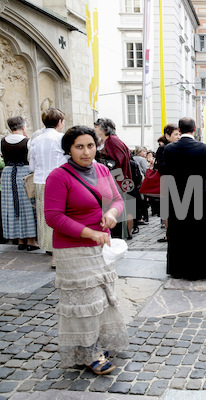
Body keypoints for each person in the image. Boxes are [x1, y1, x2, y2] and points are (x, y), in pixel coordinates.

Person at [44, 125, 128, 375]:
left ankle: (98, 343)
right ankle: (87, 352)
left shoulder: (102, 169)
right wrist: (90, 232)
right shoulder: (58, 176)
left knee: (102, 300)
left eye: (90, 145)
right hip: (74, 249)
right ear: (68, 149)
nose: (86, 151)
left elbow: (117, 200)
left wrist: (112, 214)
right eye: (79, 146)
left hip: (101, 248)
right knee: (84, 303)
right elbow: (53, 217)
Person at [162, 117, 206, 280]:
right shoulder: (202, 147)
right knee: (200, 233)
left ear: (179, 129)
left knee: (179, 232)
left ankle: (178, 269)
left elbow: (165, 170)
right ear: (194, 129)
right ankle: (201, 269)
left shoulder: (169, 149)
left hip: (176, 195)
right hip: (197, 195)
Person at [28, 108, 68, 265]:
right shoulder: (61, 138)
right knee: (59, 215)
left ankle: (50, 248)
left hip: (40, 180)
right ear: (59, 122)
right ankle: (58, 253)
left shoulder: (35, 140)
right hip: (57, 180)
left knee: (44, 216)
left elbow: (32, 166)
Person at [1, 116, 39, 251]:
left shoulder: (3, 140)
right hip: (23, 173)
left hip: (7, 173)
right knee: (27, 205)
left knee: (11, 205)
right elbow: (31, 159)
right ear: (23, 127)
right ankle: (31, 240)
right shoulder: (27, 141)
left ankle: (20, 240)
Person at [94, 118, 133, 240]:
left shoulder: (112, 141)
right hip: (117, 180)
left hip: (116, 181)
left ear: (104, 129)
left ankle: (117, 236)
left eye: (96, 127)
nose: (95, 129)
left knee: (116, 208)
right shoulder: (111, 141)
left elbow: (118, 163)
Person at [155, 125, 181, 242]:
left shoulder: (178, 148)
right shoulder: (163, 149)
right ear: (167, 136)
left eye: (179, 134)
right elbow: (162, 167)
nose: (178, 137)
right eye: (176, 134)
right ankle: (169, 233)